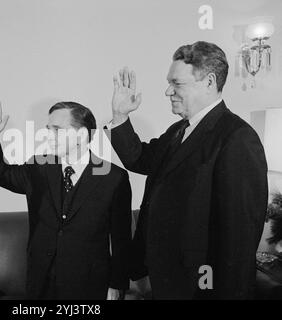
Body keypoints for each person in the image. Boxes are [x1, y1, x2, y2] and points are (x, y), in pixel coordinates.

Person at [107, 41, 268, 299]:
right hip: (166, 278)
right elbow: (139, 159)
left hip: (200, 286)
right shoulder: (178, 130)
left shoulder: (237, 137)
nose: (168, 91)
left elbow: (239, 238)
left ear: (209, 82)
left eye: (177, 83)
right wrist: (119, 116)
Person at [0, 97, 132, 299]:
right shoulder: (39, 167)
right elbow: (1, 173)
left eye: (57, 130)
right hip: (41, 283)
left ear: (82, 134)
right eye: (48, 129)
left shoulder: (113, 177)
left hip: (89, 286)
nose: (49, 136)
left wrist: (116, 285)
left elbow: (121, 239)